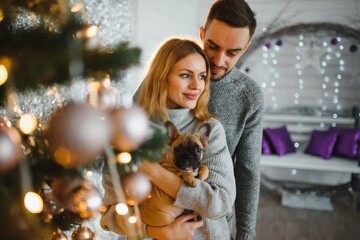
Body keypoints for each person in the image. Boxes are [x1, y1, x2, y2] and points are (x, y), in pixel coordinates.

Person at [100, 37, 236, 240]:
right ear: (162, 77)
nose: (195, 86)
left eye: (201, 77)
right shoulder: (127, 131)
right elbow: (109, 215)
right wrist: (155, 231)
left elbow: (220, 203)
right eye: (185, 75)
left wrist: (153, 171)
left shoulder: (209, 130)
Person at [199, 1, 264, 240]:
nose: (218, 60)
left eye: (232, 52)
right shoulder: (166, 71)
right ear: (201, 34)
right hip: (157, 218)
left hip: (214, 226)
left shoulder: (250, 96)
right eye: (212, 47)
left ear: (245, 48)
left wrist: (245, 235)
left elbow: (248, 171)